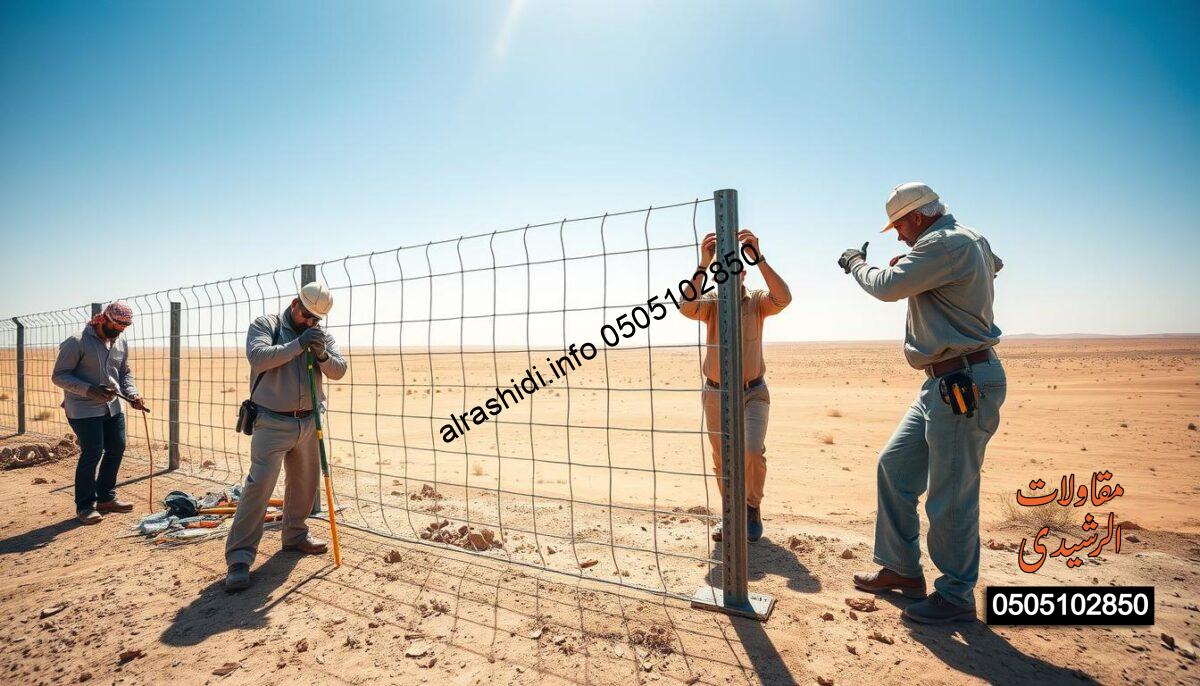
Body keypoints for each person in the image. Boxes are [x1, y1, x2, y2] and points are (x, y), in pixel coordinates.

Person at [837, 182, 1006, 624]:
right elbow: (995, 265)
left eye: (899, 226)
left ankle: (954, 596)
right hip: (941, 382)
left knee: (950, 497)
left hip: (961, 380)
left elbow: (886, 286)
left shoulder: (944, 243)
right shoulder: (964, 240)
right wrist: (924, 268)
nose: (897, 235)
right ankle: (902, 570)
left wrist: (857, 263)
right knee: (894, 466)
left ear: (916, 217)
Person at [225, 282, 347, 591]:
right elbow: (259, 357)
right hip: (271, 420)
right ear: (295, 304)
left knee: (305, 484)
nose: (310, 323)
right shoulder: (266, 325)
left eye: (316, 320)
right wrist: (298, 344)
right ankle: (239, 558)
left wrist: (320, 353)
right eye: (306, 315)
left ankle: (295, 536)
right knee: (259, 485)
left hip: (309, 422)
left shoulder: (320, 336)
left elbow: (339, 370)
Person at [680, 230, 791, 544]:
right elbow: (686, 307)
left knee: (752, 451)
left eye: (736, 267)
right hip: (716, 393)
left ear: (743, 272)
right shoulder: (712, 304)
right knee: (722, 458)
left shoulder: (756, 302)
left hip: (752, 391)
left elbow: (783, 297)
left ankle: (751, 506)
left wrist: (759, 257)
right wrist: (704, 262)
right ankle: (731, 513)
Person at [52, 301, 145, 524]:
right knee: (92, 451)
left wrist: (132, 394)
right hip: (83, 408)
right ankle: (84, 506)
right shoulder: (76, 342)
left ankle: (106, 498)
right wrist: (89, 390)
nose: (118, 333)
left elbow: (124, 372)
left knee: (117, 447)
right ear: (103, 320)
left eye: (123, 329)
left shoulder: (120, 340)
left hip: (113, 406)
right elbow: (59, 376)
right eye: (115, 328)